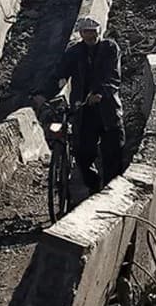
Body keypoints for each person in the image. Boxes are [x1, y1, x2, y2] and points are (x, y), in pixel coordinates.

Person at [49, 15, 124, 189]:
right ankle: (93, 185)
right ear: (81, 34)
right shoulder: (74, 52)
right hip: (83, 110)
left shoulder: (110, 48)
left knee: (113, 155)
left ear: (99, 32)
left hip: (108, 110)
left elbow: (112, 76)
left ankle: (111, 193)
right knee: (82, 154)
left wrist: (99, 93)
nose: (89, 36)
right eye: (85, 32)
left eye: (92, 32)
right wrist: (44, 91)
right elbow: (60, 72)